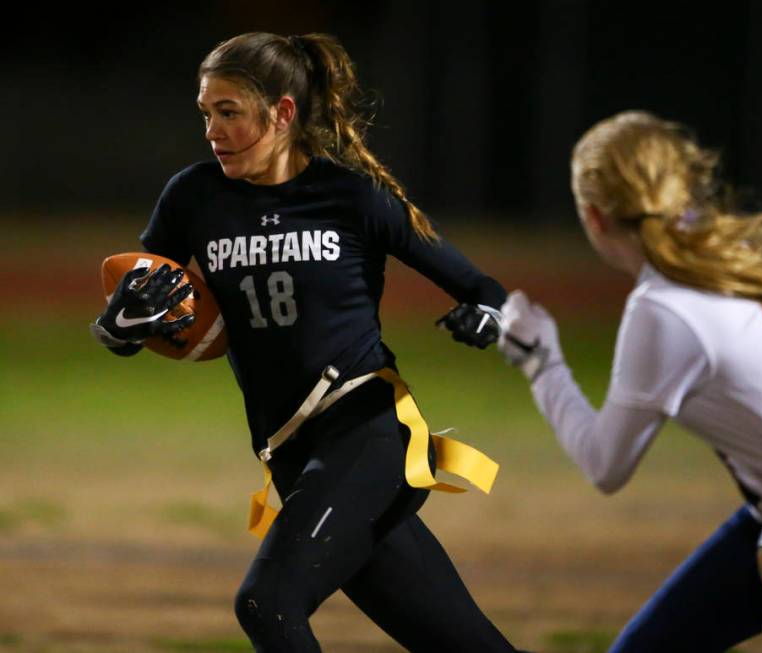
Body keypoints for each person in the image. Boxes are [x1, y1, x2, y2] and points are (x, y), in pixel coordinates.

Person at [90, 32, 524, 653]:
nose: (211, 130)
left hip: (368, 433)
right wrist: (117, 326)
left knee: (267, 605)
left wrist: (485, 317)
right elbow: (138, 319)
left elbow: (483, 289)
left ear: (283, 113)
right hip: (289, 452)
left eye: (229, 112)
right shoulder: (192, 197)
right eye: (206, 113)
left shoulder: (352, 196)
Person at [498, 110, 762, 652]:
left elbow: (606, 466)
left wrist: (541, 361)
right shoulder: (724, 254)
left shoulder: (660, 309)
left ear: (594, 216)